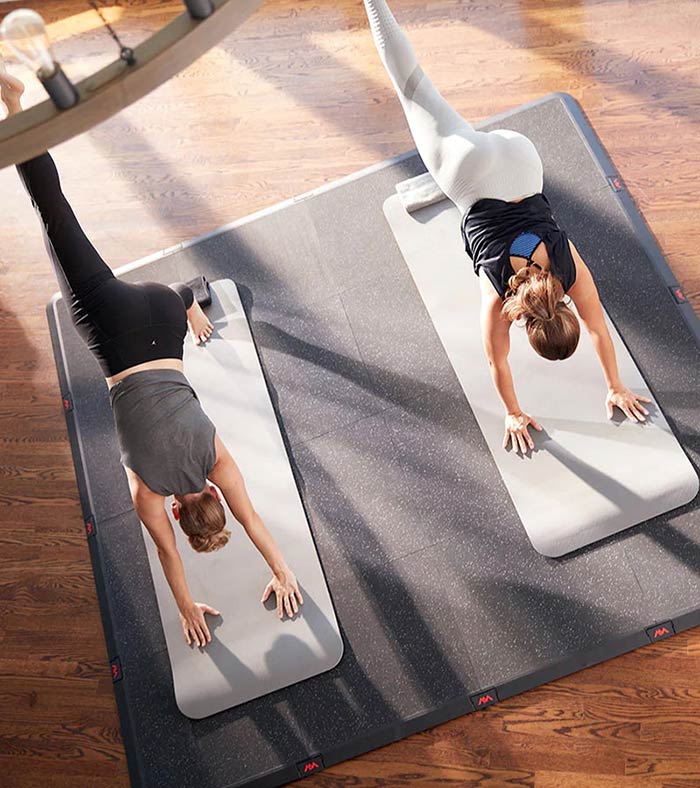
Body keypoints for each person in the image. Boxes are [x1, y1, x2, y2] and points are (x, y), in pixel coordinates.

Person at [0, 68, 303, 647]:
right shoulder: (148, 495)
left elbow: (252, 520)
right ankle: (13, 102)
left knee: (176, 307)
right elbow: (167, 558)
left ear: (210, 498)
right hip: (112, 326)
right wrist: (187, 609)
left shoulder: (220, 465)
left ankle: (191, 295)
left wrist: (282, 569)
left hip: (165, 318)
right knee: (52, 213)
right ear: (181, 515)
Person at [362, 0, 651, 455]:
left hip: (523, 160)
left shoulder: (568, 269)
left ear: (563, 309)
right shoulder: (499, 297)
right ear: (526, 324)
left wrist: (616, 383)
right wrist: (513, 413)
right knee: (409, 85)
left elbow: (599, 329)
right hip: (469, 174)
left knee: (428, 96)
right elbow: (496, 362)